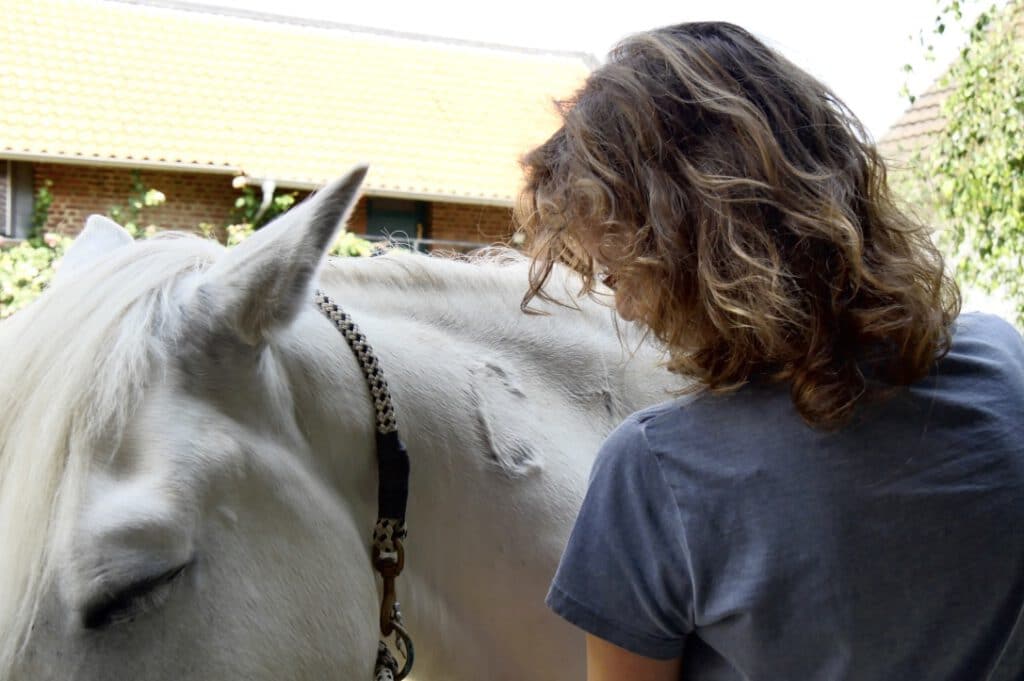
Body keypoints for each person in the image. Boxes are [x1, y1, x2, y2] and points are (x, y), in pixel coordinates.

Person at [516, 21, 1024, 681]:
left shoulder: (653, 474)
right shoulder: (1004, 367)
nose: (626, 308)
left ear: (690, 248)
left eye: (623, 274)